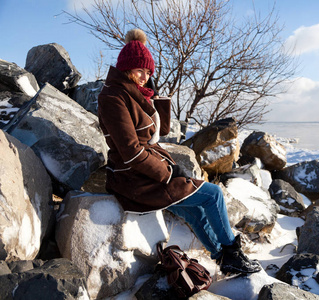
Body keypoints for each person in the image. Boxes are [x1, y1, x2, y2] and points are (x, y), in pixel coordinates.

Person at [97, 28, 261, 274]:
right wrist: (167, 173)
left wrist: (155, 101)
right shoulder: (114, 97)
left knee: (193, 211)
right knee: (213, 195)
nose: (144, 76)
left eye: (148, 71)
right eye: (139, 70)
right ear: (126, 69)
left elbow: (156, 134)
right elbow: (131, 151)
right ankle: (232, 253)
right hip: (134, 177)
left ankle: (222, 258)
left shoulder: (132, 94)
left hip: (145, 171)